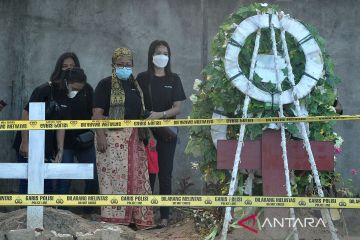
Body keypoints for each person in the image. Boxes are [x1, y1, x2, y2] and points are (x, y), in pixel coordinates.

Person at [93, 47, 154, 229]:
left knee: (137, 179)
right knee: (114, 180)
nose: (124, 68)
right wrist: (101, 135)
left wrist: (148, 136)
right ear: (113, 65)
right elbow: (97, 113)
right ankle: (116, 221)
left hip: (135, 139)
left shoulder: (136, 86)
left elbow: (141, 113)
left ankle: (136, 220)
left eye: (128, 65)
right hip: (111, 140)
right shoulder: (105, 85)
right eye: (120, 64)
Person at [12, 52, 79, 193]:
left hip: (48, 146)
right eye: (65, 66)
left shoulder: (69, 95)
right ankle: (24, 214)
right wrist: (25, 142)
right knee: (27, 182)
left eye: (72, 67)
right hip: (29, 141)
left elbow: (62, 124)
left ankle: (45, 215)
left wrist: (60, 150)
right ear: (58, 69)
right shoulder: (45, 89)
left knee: (47, 184)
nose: (68, 69)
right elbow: (26, 113)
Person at [137, 40, 186, 228]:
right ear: (151, 55)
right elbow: (137, 105)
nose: (162, 56)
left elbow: (178, 108)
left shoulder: (174, 79)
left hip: (167, 133)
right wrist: (148, 128)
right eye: (158, 52)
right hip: (146, 133)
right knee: (148, 174)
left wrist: (160, 115)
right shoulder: (142, 78)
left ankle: (165, 216)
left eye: (165, 53)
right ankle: (146, 216)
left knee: (165, 173)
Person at [56, 67, 98, 215]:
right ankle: (61, 211)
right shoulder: (58, 92)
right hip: (65, 142)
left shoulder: (88, 90)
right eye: (74, 88)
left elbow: (95, 112)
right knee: (64, 177)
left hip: (84, 140)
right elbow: (60, 122)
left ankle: (88, 211)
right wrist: (60, 150)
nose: (76, 91)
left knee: (93, 175)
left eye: (79, 89)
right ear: (67, 82)